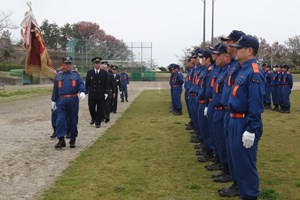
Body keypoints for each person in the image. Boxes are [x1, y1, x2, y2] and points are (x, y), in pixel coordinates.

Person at [228, 35, 265, 200]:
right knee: (238, 162)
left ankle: (250, 196)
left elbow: (255, 104)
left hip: (245, 122)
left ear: (249, 51)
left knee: (246, 164)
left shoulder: (254, 72)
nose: (235, 50)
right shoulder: (243, 68)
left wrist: (251, 129)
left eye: (239, 48)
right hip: (235, 119)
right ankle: (243, 193)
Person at [51, 56, 86, 149]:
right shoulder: (58, 76)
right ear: (62, 65)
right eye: (66, 64)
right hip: (61, 100)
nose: (68, 65)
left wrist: (82, 91)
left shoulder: (76, 75)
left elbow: (81, 84)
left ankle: (73, 139)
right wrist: (53, 100)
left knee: (73, 120)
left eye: (69, 64)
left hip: (73, 99)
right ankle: (61, 139)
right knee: (60, 120)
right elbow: (55, 89)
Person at [85, 57, 109, 128]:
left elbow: (106, 83)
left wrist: (106, 92)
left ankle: (98, 122)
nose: (98, 65)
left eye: (99, 63)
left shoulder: (104, 73)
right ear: (93, 64)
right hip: (92, 94)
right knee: (91, 108)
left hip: (101, 93)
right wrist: (86, 91)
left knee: (100, 109)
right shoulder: (90, 73)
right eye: (96, 63)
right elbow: (87, 83)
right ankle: (94, 118)